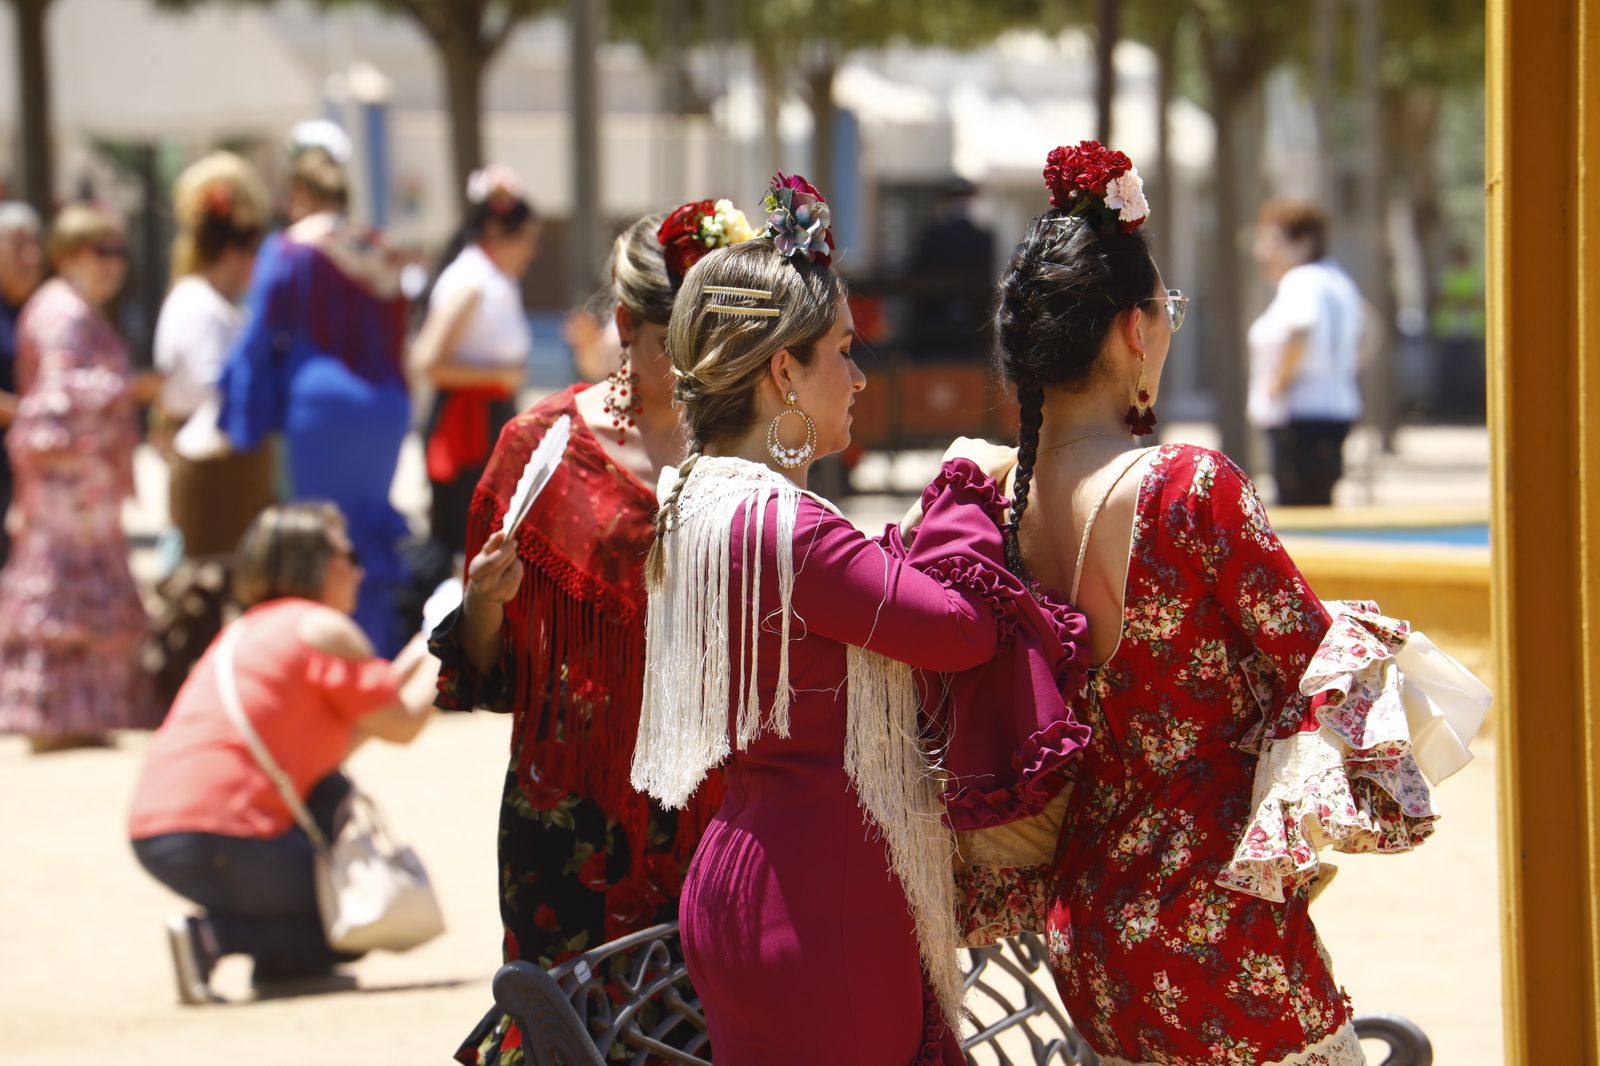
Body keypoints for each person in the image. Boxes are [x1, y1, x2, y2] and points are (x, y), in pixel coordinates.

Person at [998, 141, 1459, 1065]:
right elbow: (1322, 662)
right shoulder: (1184, 486)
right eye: (1165, 312)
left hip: (1088, 918)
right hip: (1212, 922)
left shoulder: (1001, 498)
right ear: (1134, 329)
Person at [629, 174, 1029, 1065]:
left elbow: (865, 587)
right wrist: (962, 485)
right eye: (843, 352)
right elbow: (964, 628)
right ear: (783, 371)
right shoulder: (785, 527)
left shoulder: (694, 498)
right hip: (821, 903)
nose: (858, 376)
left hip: (745, 881)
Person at [431, 198, 753, 1066]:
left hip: (718, 804)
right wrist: (489, 604)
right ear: (624, 326)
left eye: (713, 348)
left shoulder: (751, 446)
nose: (692, 373)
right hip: (572, 817)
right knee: (572, 1035)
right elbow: (487, 674)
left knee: (708, 1032)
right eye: (669, 347)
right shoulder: (536, 447)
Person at [128, 502, 440, 1005]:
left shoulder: (249, 628)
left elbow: (366, 722)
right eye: (347, 554)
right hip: (219, 836)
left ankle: (282, 965)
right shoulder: (322, 628)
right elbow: (403, 723)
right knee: (357, 911)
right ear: (314, 563)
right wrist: (446, 637)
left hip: (160, 829)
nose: (358, 569)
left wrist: (430, 640)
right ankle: (214, 940)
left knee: (331, 800)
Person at [217, 136, 413, 656]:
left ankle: (320, 658)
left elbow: (258, 341)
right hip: (386, 408)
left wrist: (239, 419)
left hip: (320, 412)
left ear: (299, 192)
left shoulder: (289, 252)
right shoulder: (380, 250)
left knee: (315, 536)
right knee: (364, 532)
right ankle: (371, 653)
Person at [0, 203, 161, 751]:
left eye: (119, 252)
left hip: (85, 485)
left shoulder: (77, 309)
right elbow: (57, 395)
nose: (114, 264)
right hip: (66, 486)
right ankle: (55, 716)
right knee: (63, 598)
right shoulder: (62, 311)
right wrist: (129, 387)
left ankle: (78, 714)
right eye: (102, 251)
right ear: (69, 256)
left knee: (81, 597)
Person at [414, 164, 539, 557]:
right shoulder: (470, 281)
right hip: (466, 422)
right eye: (526, 240)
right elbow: (426, 360)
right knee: (461, 539)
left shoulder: (492, 278)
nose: (531, 252)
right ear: (499, 234)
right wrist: (499, 375)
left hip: (487, 417)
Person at [155, 151, 274, 558]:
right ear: (233, 254)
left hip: (221, 459)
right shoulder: (199, 303)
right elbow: (210, 387)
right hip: (210, 462)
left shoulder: (213, 303)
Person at [1248, 198, 1365, 506]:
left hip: (1299, 419)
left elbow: (1300, 331)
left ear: (1303, 244)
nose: (1261, 251)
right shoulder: (1338, 280)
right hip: (1334, 411)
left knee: (1300, 513)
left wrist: (1277, 382)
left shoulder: (1300, 281)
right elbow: (1368, 334)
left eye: (1272, 241)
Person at [0, 202, 46, 569]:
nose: (30, 255)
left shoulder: (42, 307)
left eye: (34, 244)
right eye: (18, 245)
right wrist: (34, 414)